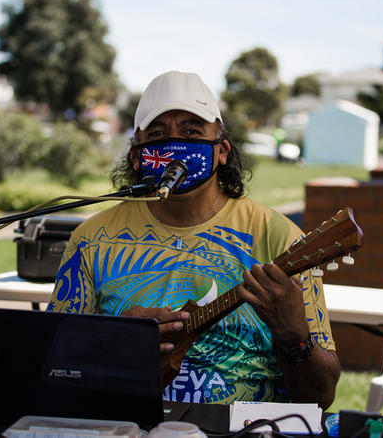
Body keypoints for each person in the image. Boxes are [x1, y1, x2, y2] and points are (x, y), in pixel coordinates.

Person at [47, 71, 340, 408]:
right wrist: (115, 342)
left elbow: (320, 398)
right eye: (157, 133)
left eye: (191, 131)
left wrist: (295, 339)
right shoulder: (91, 239)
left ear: (222, 151)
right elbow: (55, 365)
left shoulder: (278, 236)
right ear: (136, 157)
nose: (174, 144)